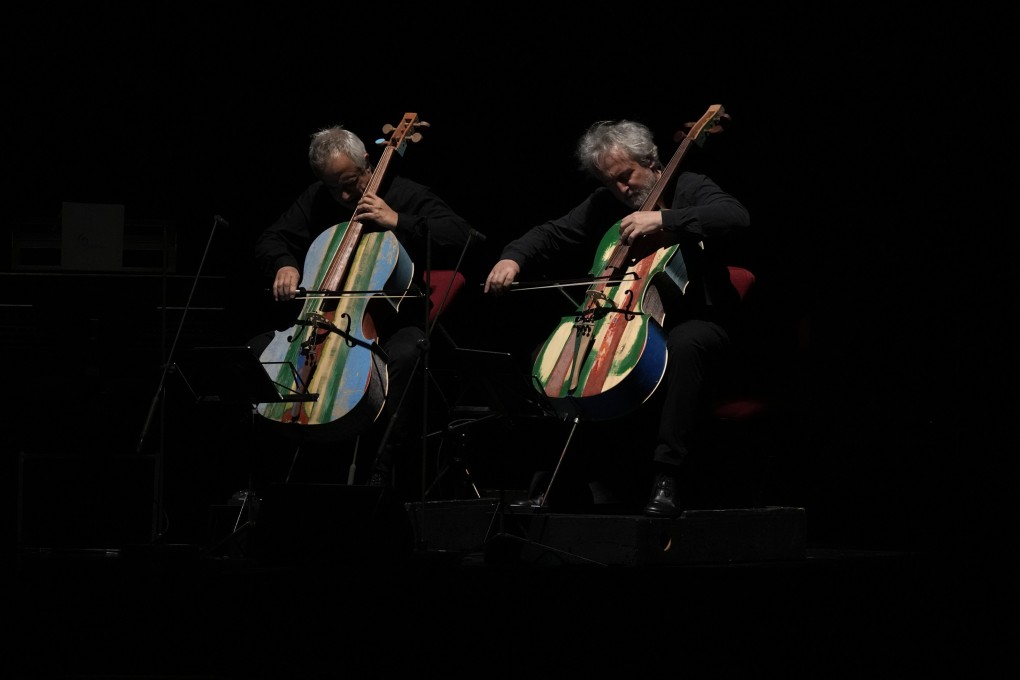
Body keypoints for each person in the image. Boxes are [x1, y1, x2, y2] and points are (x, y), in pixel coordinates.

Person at [483, 118, 750, 517]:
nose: (621, 190)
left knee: (685, 343)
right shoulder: (607, 202)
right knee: (555, 358)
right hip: (628, 317)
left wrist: (664, 219)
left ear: (651, 159)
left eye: (625, 176)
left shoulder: (688, 185)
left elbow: (735, 216)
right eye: (611, 182)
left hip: (698, 318)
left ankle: (667, 477)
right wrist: (512, 257)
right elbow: (552, 233)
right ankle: (558, 479)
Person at [251, 123, 476, 497]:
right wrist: (283, 264)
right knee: (258, 351)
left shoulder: (406, 193)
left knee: (405, 355)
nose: (342, 194)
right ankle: (267, 480)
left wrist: (399, 221)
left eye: (350, 181)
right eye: (331, 185)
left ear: (367, 163)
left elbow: (463, 235)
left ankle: (381, 473)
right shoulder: (318, 198)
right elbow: (271, 238)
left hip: (393, 320)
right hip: (324, 318)